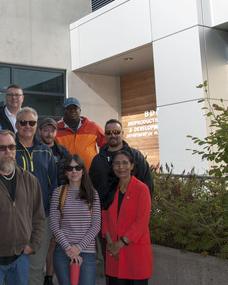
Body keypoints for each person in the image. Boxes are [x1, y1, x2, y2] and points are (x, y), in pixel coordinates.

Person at [0, 130, 46, 285]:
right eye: (2, 148)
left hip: (21, 258)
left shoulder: (30, 181)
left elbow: (39, 217)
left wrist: (33, 244)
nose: (8, 152)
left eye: (11, 147)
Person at [14, 108, 58, 285]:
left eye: (31, 123)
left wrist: (55, 217)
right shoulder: (9, 149)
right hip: (14, 218)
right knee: (13, 265)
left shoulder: (46, 152)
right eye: (23, 122)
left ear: (36, 126)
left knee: (36, 266)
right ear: (16, 125)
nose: (27, 126)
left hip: (42, 218)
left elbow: (54, 186)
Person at [102, 150, 153, 284]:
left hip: (135, 254)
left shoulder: (142, 189)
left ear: (132, 166)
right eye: (117, 164)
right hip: (113, 253)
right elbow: (105, 218)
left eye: (125, 163)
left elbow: (141, 222)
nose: (121, 167)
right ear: (112, 167)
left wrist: (120, 244)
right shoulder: (111, 190)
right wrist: (111, 245)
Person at [49, 154, 101, 285]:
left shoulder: (92, 193)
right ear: (65, 172)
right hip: (63, 252)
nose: (74, 171)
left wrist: (79, 248)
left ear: (83, 170)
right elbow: (54, 224)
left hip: (86, 252)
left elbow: (96, 225)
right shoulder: (58, 193)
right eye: (70, 168)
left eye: (78, 168)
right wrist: (69, 248)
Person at [89, 119, 154, 209]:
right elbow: (91, 187)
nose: (113, 135)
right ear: (105, 135)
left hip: (131, 211)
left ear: (122, 133)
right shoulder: (97, 160)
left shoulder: (135, 156)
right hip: (104, 213)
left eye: (116, 132)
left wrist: (144, 208)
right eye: (109, 133)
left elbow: (147, 184)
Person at [38, 117, 70, 285]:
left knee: (53, 241)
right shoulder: (36, 150)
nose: (49, 134)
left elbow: (68, 177)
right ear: (40, 132)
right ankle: (36, 272)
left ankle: (48, 277)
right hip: (39, 204)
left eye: (52, 130)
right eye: (46, 130)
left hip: (58, 204)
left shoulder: (63, 152)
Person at [55, 97, 106, 170]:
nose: (72, 111)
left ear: (80, 110)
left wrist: (102, 161)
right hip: (68, 174)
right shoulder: (56, 128)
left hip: (91, 174)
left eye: (75, 108)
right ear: (63, 111)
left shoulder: (92, 126)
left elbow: (105, 144)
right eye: (69, 108)